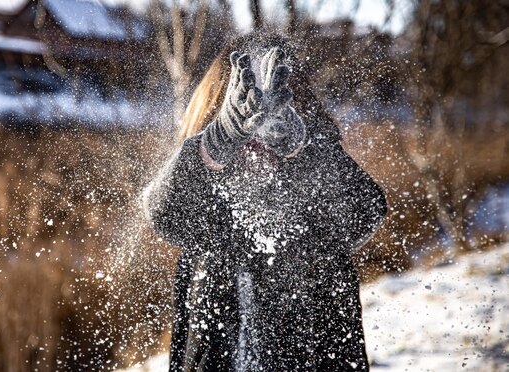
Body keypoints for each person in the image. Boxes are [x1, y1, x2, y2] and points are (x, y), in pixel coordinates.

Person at [142, 34, 387, 371]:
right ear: (218, 110)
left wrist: (303, 148)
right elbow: (163, 215)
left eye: (274, 106)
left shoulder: (318, 175)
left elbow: (365, 211)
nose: (257, 129)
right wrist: (216, 143)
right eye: (244, 107)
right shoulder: (204, 187)